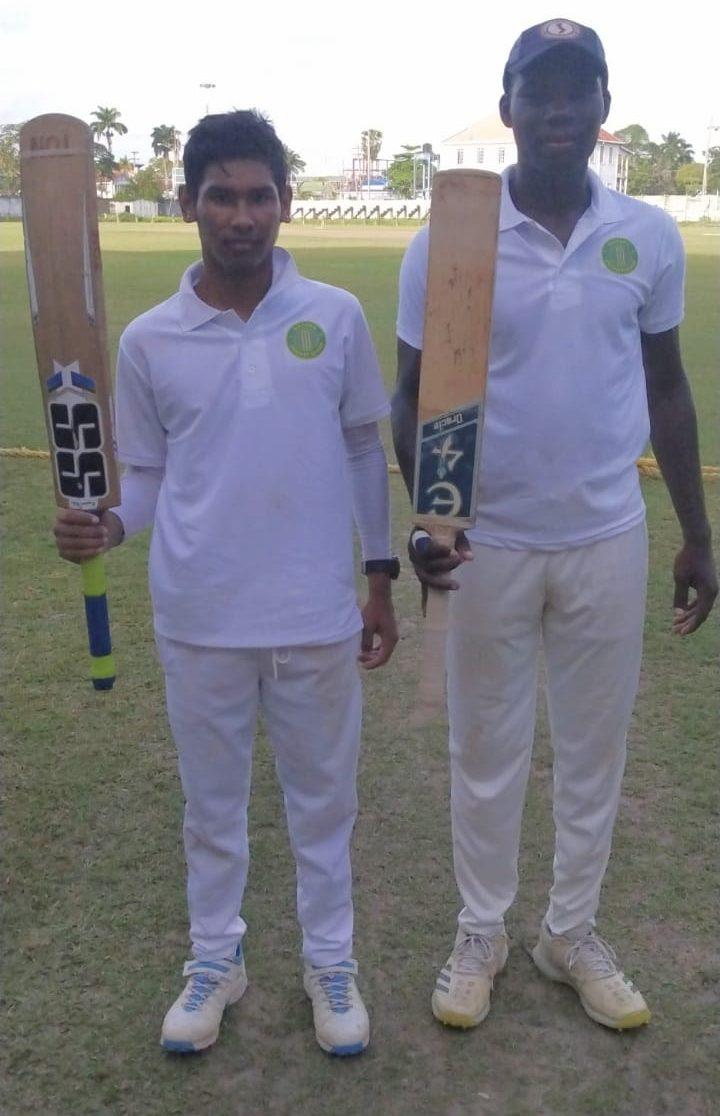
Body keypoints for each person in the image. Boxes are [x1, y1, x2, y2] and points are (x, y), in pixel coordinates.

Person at [392, 18, 717, 1033]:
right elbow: (412, 394)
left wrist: (698, 536)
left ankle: (567, 932)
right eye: (543, 91)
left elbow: (667, 389)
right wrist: (432, 515)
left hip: (607, 535)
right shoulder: (450, 236)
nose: (562, 109)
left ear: (603, 110)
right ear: (510, 108)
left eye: (581, 90)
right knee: (487, 747)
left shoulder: (648, 236)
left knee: (593, 750)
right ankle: (481, 932)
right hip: (492, 541)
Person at [54, 110, 399, 1057]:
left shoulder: (333, 317)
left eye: (258, 196)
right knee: (212, 808)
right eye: (221, 197)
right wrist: (108, 524)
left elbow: (365, 447)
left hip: (315, 612)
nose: (241, 216)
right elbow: (154, 480)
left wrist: (378, 578)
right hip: (200, 613)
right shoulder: (151, 341)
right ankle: (217, 959)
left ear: (286, 205)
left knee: (323, 802)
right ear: (189, 204)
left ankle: (331, 963)